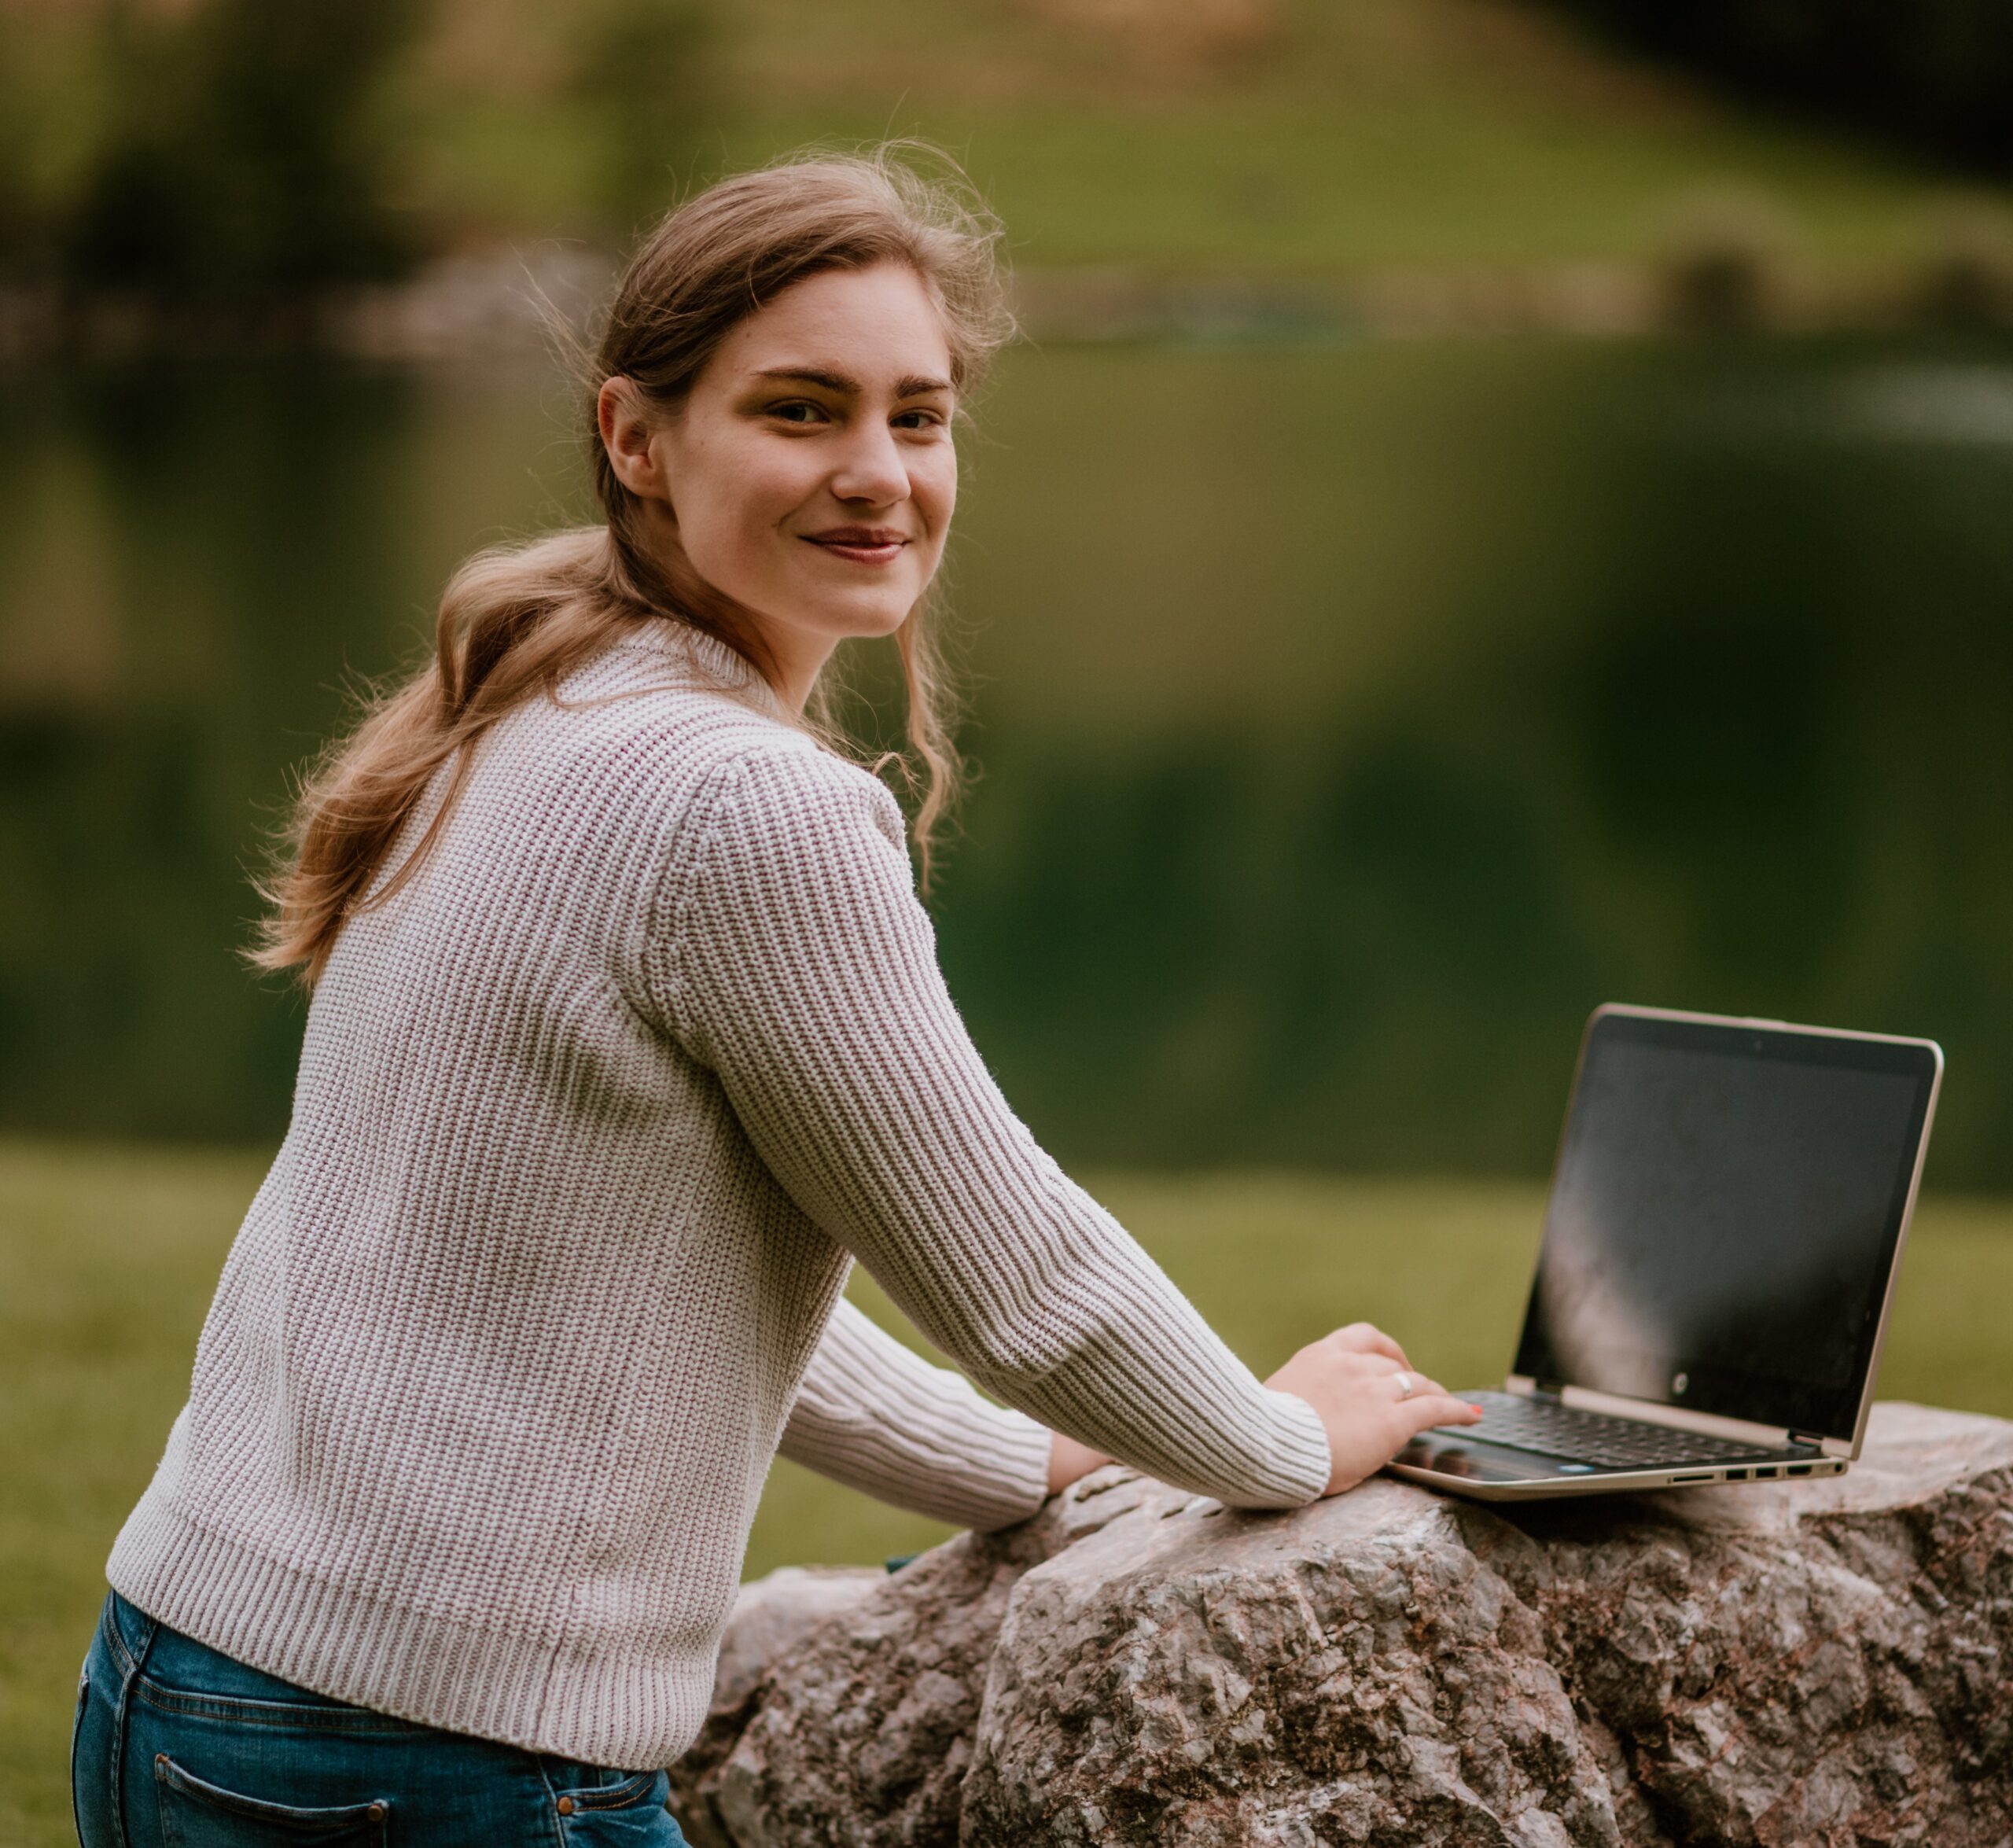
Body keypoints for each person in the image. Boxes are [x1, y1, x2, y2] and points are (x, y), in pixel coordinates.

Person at [71, 145, 1480, 1846]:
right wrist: (1266, 1443)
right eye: (801, 411)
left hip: (183, 1674)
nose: (877, 473)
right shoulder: (742, 803)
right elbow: (1012, 1266)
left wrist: (1026, 1465)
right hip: (426, 1757)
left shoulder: (539, 702)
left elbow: (639, 1268)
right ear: (635, 438)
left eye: (919, 413)